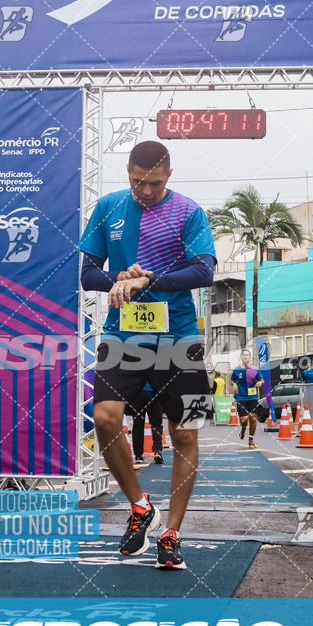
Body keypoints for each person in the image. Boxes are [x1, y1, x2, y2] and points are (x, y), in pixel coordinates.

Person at [78, 140, 216, 570]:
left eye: (154, 182)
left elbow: (204, 270)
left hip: (181, 338)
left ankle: (172, 532)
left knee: (187, 433)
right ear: (128, 171)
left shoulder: (189, 211)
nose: (146, 189)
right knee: (104, 418)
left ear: (168, 175)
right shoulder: (107, 208)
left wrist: (149, 278)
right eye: (138, 181)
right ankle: (140, 506)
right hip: (124, 335)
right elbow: (86, 275)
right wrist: (117, 279)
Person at [231, 348, 264, 449]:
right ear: (241, 357)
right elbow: (232, 380)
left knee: (253, 418)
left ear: (250, 357)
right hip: (241, 397)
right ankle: (243, 428)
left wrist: (260, 383)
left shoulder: (255, 369)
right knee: (244, 419)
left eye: (247, 355)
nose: (245, 356)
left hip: (252, 396)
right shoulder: (237, 370)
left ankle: (251, 440)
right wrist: (234, 384)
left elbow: (262, 380)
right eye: (243, 355)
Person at [131, 383, 165, 465]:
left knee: (137, 424)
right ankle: (157, 450)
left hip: (137, 392)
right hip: (153, 391)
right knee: (156, 424)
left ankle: (138, 455)